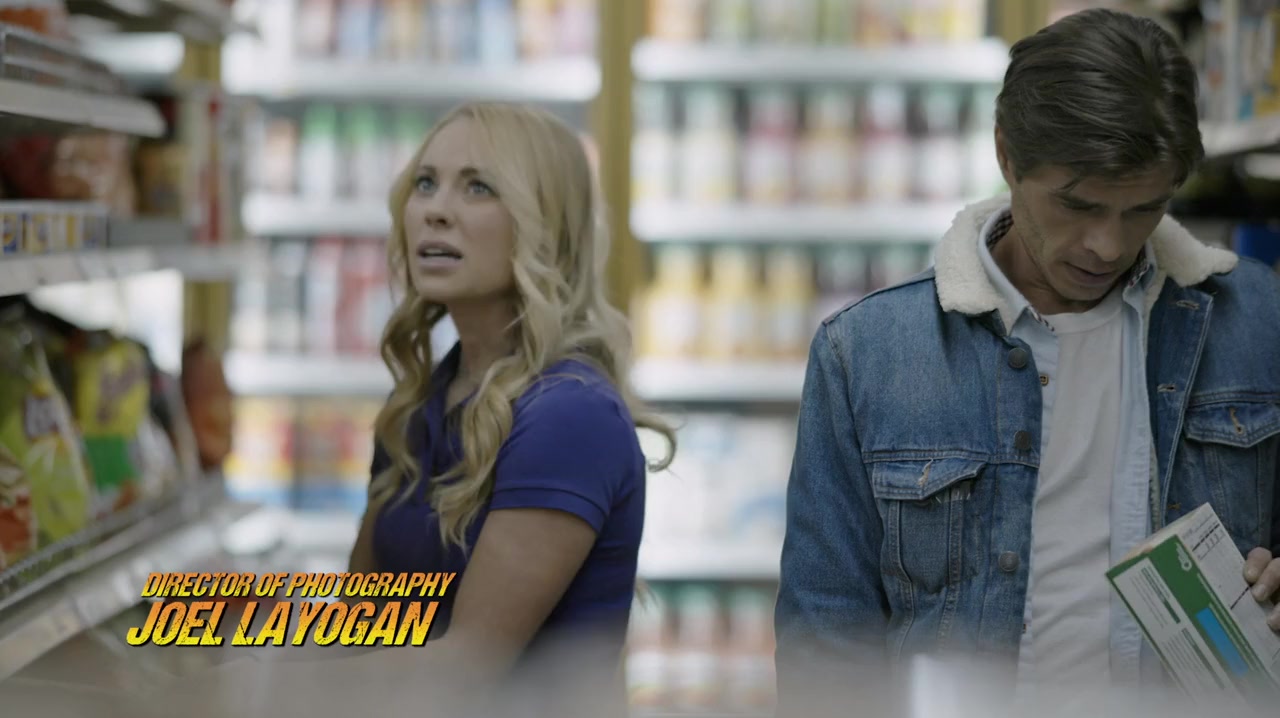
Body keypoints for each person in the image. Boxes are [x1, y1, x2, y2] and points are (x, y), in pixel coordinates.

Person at [774, 8, 1280, 715]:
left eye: (1142, 209)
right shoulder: (866, 353)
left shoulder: (1259, 321)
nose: (1107, 245)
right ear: (1007, 155)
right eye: (1079, 205)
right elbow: (825, 650)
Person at [164, 102, 674, 718]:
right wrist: (207, 640)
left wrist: (235, 687)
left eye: (478, 187)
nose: (435, 209)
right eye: (425, 183)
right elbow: (364, 623)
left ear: (545, 224)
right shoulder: (421, 402)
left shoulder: (570, 414)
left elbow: (464, 669)